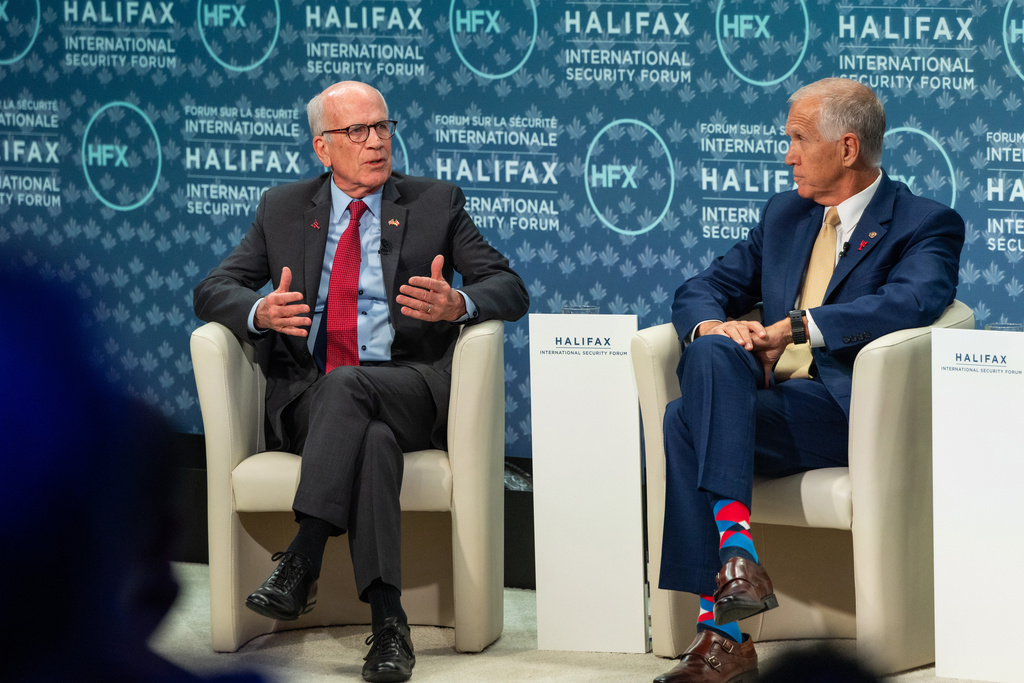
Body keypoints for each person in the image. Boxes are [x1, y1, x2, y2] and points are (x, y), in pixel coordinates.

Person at [193, 80, 529, 682]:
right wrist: (257, 313)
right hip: (311, 401)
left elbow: (509, 286)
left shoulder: (434, 202)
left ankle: (302, 557)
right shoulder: (282, 207)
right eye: (357, 131)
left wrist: (458, 303)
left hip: (410, 387)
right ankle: (389, 623)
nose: (376, 142)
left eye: (383, 127)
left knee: (355, 389)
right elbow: (212, 289)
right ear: (323, 148)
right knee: (368, 438)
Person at [653, 77, 964, 683]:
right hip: (766, 398)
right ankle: (739, 559)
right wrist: (714, 325)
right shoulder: (786, 214)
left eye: (798, 139)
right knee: (712, 354)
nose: (787, 154)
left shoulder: (925, 222)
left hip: (844, 410)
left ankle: (725, 637)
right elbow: (702, 287)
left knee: (681, 419)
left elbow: (911, 302)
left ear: (847, 148)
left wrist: (796, 328)